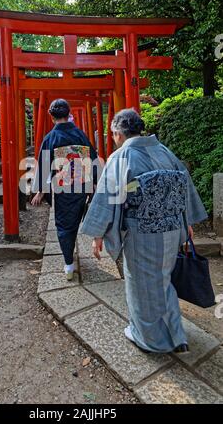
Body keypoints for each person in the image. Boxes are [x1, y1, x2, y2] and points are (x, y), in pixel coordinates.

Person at [81, 109, 207, 354]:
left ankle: (150, 340)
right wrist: (186, 222)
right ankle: (174, 333)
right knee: (164, 281)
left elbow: (108, 197)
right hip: (172, 230)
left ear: (117, 133)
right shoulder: (165, 151)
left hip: (142, 233)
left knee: (142, 286)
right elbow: (183, 187)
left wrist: (98, 235)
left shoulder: (121, 157)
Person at [31, 99, 99, 280]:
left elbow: (44, 165)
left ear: (51, 116)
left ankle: (68, 263)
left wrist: (41, 191)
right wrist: (93, 182)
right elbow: (92, 158)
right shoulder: (80, 135)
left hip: (62, 187)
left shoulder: (50, 138)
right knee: (75, 220)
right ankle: (70, 257)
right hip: (81, 185)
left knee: (63, 224)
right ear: (69, 114)